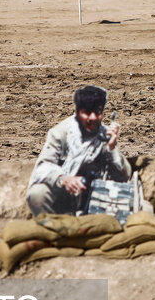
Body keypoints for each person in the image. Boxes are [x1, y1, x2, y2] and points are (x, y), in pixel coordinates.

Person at [25, 85, 132, 216]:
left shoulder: (105, 135)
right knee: (37, 193)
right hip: (62, 196)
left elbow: (125, 175)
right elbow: (42, 167)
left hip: (95, 196)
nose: (92, 117)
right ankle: (55, 229)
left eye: (97, 112)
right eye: (87, 112)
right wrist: (64, 178)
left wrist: (111, 148)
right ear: (77, 113)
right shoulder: (60, 133)